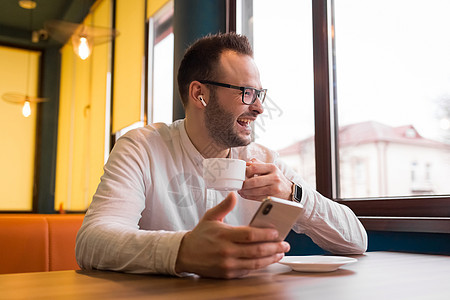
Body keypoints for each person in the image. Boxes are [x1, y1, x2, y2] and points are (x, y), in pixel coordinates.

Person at [76, 32, 367, 279]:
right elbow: (91, 242)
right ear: (199, 94)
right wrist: (183, 250)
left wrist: (294, 194)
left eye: (259, 94)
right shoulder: (142, 148)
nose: (259, 108)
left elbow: (356, 241)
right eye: (246, 93)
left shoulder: (264, 160)